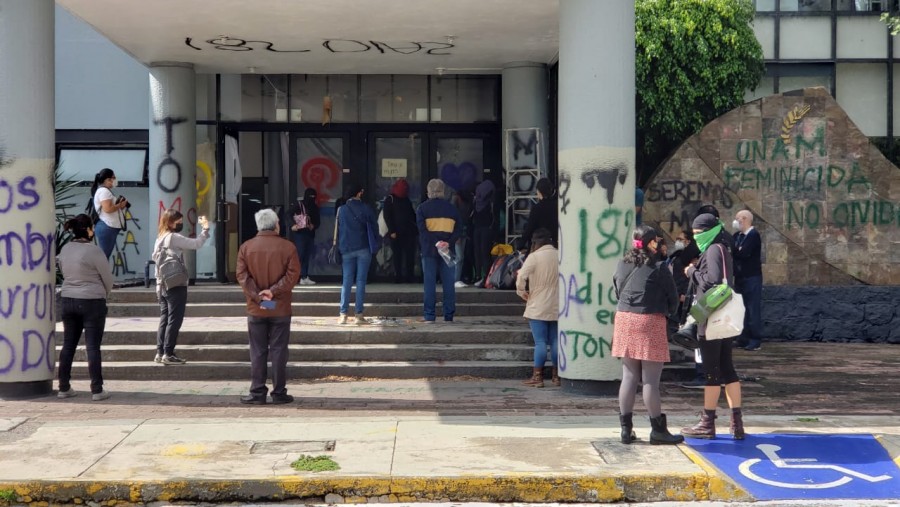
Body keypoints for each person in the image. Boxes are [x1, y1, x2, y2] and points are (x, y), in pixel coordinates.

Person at [612, 225, 683, 445]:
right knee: (650, 380)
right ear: (651, 242)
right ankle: (658, 431)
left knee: (629, 375)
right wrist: (671, 314)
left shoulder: (622, 263)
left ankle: (626, 430)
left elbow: (616, 289)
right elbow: (673, 298)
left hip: (624, 318)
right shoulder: (659, 267)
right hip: (649, 320)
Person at [681, 213, 745, 440]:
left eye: (699, 233)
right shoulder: (722, 248)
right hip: (724, 320)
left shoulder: (712, 250)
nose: (696, 238)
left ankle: (707, 422)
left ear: (709, 231)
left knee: (711, 372)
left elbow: (713, 281)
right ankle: (736, 423)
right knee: (727, 367)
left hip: (711, 318)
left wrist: (692, 272)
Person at [236, 208, 301, 405]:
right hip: (279, 307)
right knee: (279, 350)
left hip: (257, 307)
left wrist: (259, 296)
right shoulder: (288, 247)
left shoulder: (246, 248)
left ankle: (257, 392)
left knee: (258, 350)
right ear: (276, 224)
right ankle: (279, 392)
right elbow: (292, 276)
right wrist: (273, 292)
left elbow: (242, 277)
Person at [56, 214, 115, 401]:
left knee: (68, 345)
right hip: (92, 301)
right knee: (92, 347)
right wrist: (103, 294)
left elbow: (63, 271)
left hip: (68, 300)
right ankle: (97, 389)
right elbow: (108, 279)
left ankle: (63, 387)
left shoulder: (65, 249)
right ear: (89, 230)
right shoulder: (94, 251)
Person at [153, 209, 210, 365]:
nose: (180, 224)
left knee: (164, 318)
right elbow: (196, 244)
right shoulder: (174, 237)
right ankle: (169, 353)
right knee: (175, 319)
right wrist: (205, 229)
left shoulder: (160, 238)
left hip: (161, 283)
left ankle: (160, 352)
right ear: (170, 222)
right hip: (175, 283)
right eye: (178, 221)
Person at [516, 228, 560, 388]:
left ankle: (538, 377)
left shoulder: (534, 257)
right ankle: (556, 376)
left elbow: (521, 275)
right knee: (555, 340)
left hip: (538, 304)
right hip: (557, 303)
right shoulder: (559, 255)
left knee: (540, 342)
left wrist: (522, 291)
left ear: (535, 243)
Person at [416, 178, 461, 323]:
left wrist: (436, 242)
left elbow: (422, 231)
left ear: (428, 192)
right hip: (448, 250)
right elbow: (459, 229)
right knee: (449, 284)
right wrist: (448, 242)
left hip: (429, 251)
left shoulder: (422, 209)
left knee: (429, 284)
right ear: (443, 191)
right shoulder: (452, 209)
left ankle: (429, 315)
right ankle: (449, 315)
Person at [337, 184, 378, 324]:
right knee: (361, 281)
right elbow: (374, 228)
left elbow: (339, 229)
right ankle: (358, 314)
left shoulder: (341, 210)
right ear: (359, 193)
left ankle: (343, 314)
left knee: (346, 281)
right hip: (363, 248)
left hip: (346, 248)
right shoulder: (366, 209)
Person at [732, 209, 763, 351]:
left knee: (752, 308)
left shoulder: (753, 235)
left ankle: (755, 339)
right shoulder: (737, 236)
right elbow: (734, 251)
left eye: (738, 218)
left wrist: (736, 250)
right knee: (741, 309)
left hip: (752, 277)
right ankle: (742, 337)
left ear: (744, 219)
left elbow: (743, 253)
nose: (736, 221)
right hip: (740, 277)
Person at [383, 178, 418, 284]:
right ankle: (398, 276)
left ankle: (409, 277)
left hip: (408, 232)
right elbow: (387, 216)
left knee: (408, 255)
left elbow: (412, 215)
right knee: (398, 255)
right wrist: (392, 230)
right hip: (396, 233)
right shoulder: (391, 199)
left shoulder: (406, 199)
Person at [91, 168, 129, 259]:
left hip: (108, 227)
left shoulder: (104, 191)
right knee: (103, 257)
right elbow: (108, 209)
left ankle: (102, 273)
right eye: (113, 178)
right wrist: (120, 205)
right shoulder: (104, 191)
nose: (115, 180)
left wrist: (119, 206)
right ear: (108, 179)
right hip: (107, 227)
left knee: (104, 256)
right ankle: (100, 273)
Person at [291, 187, 321, 286]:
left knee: (306, 256)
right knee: (300, 256)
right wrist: (292, 225)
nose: (312, 198)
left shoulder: (315, 207)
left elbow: (317, 221)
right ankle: (295, 277)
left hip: (309, 235)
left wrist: (313, 225)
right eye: (310, 196)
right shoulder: (298, 205)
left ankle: (304, 276)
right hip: (300, 234)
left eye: (313, 196)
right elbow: (288, 215)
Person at [471, 179, 496, 288]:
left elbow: (471, 217)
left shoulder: (476, 201)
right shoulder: (490, 203)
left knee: (478, 253)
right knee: (485, 254)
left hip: (477, 229)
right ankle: (485, 276)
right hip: (487, 230)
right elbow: (495, 218)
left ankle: (478, 275)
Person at [522, 177, 559, 249]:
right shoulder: (557, 205)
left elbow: (529, 229)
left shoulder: (537, 208)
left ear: (539, 191)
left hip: (540, 245)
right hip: (555, 245)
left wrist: (520, 245)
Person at [450, 185, 474, 287]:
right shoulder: (460, 201)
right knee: (459, 257)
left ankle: (456, 278)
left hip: (461, 231)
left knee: (460, 256)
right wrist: (457, 235)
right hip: (459, 232)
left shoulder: (459, 201)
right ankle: (455, 279)